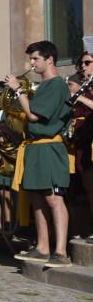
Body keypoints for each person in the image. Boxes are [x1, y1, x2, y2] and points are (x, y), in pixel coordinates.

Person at [9, 40, 73, 268]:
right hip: (34, 147)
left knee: (54, 199)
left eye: (35, 58)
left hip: (49, 147)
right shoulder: (42, 86)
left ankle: (61, 252)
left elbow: (35, 116)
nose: (32, 63)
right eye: (31, 59)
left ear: (50, 59)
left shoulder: (56, 84)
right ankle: (43, 247)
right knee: (36, 199)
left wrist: (18, 90)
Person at [67, 52, 93, 243]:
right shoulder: (87, 86)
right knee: (88, 188)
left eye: (87, 62)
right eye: (81, 63)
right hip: (83, 145)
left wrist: (80, 98)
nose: (82, 66)